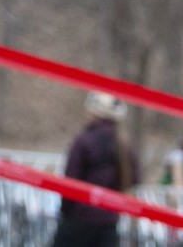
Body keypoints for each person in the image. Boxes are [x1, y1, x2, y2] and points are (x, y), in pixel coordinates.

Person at [51, 91, 141, 247]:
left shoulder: (84, 141)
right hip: (108, 224)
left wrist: (65, 211)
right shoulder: (124, 144)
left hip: (78, 220)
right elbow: (135, 178)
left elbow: (70, 181)